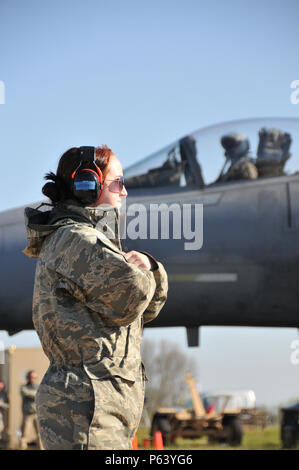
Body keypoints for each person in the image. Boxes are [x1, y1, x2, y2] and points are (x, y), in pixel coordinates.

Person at [23, 145, 168, 450]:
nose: (125, 192)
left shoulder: (91, 240)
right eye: (119, 182)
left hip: (101, 409)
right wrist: (147, 274)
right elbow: (133, 296)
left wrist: (150, 267)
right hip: (86, 412)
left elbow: (145, 311)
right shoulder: (75, 240)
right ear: (89, 185)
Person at [19, 370, 42, 449]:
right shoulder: (24, 387)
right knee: (24, 434)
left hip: (37, 414)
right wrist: (35, 394)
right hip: (28, 414)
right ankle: (22, 448)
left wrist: (34, 394)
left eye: (34, 377)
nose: (32, 378)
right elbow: (25, 393)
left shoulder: (38, 386)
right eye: (31, 377)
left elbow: (40, 394)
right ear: (28, 377)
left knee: (40, 434)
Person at [0, 380, 9, 447]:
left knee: (2, 428)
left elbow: (7, 405)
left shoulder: (4, 394)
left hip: (2, 414)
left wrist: (2, 404)